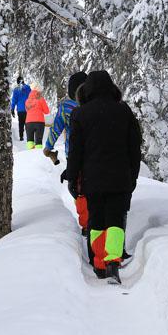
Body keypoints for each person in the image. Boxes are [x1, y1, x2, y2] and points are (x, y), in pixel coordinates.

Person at [66, 70, 141, 283]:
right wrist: (132, 176)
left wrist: (73, 178)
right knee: (116, 221)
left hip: (93, 179)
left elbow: (76, 151)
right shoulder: (123, 111)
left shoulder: (80, 114)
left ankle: (99, 265)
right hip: (120, 179)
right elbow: (134, 147)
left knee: (96, 221)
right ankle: (112, 263)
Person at [43, 71, 89, 232]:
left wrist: (48, 147)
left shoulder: (67, 107)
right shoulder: (93, 103)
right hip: (94, 153)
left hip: (74, 154)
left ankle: (86, 222)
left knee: (76, 188)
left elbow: (56, 128)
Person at [10, 76, 31, 142]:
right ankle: (29, 137)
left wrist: (12, 109)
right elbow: (32, 97)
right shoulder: (28, 88)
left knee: (21, 124)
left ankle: (21, 137)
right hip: (28, 110)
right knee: (28, 124)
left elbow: (14, 100)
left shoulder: (16, 90)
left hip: (20, 110)